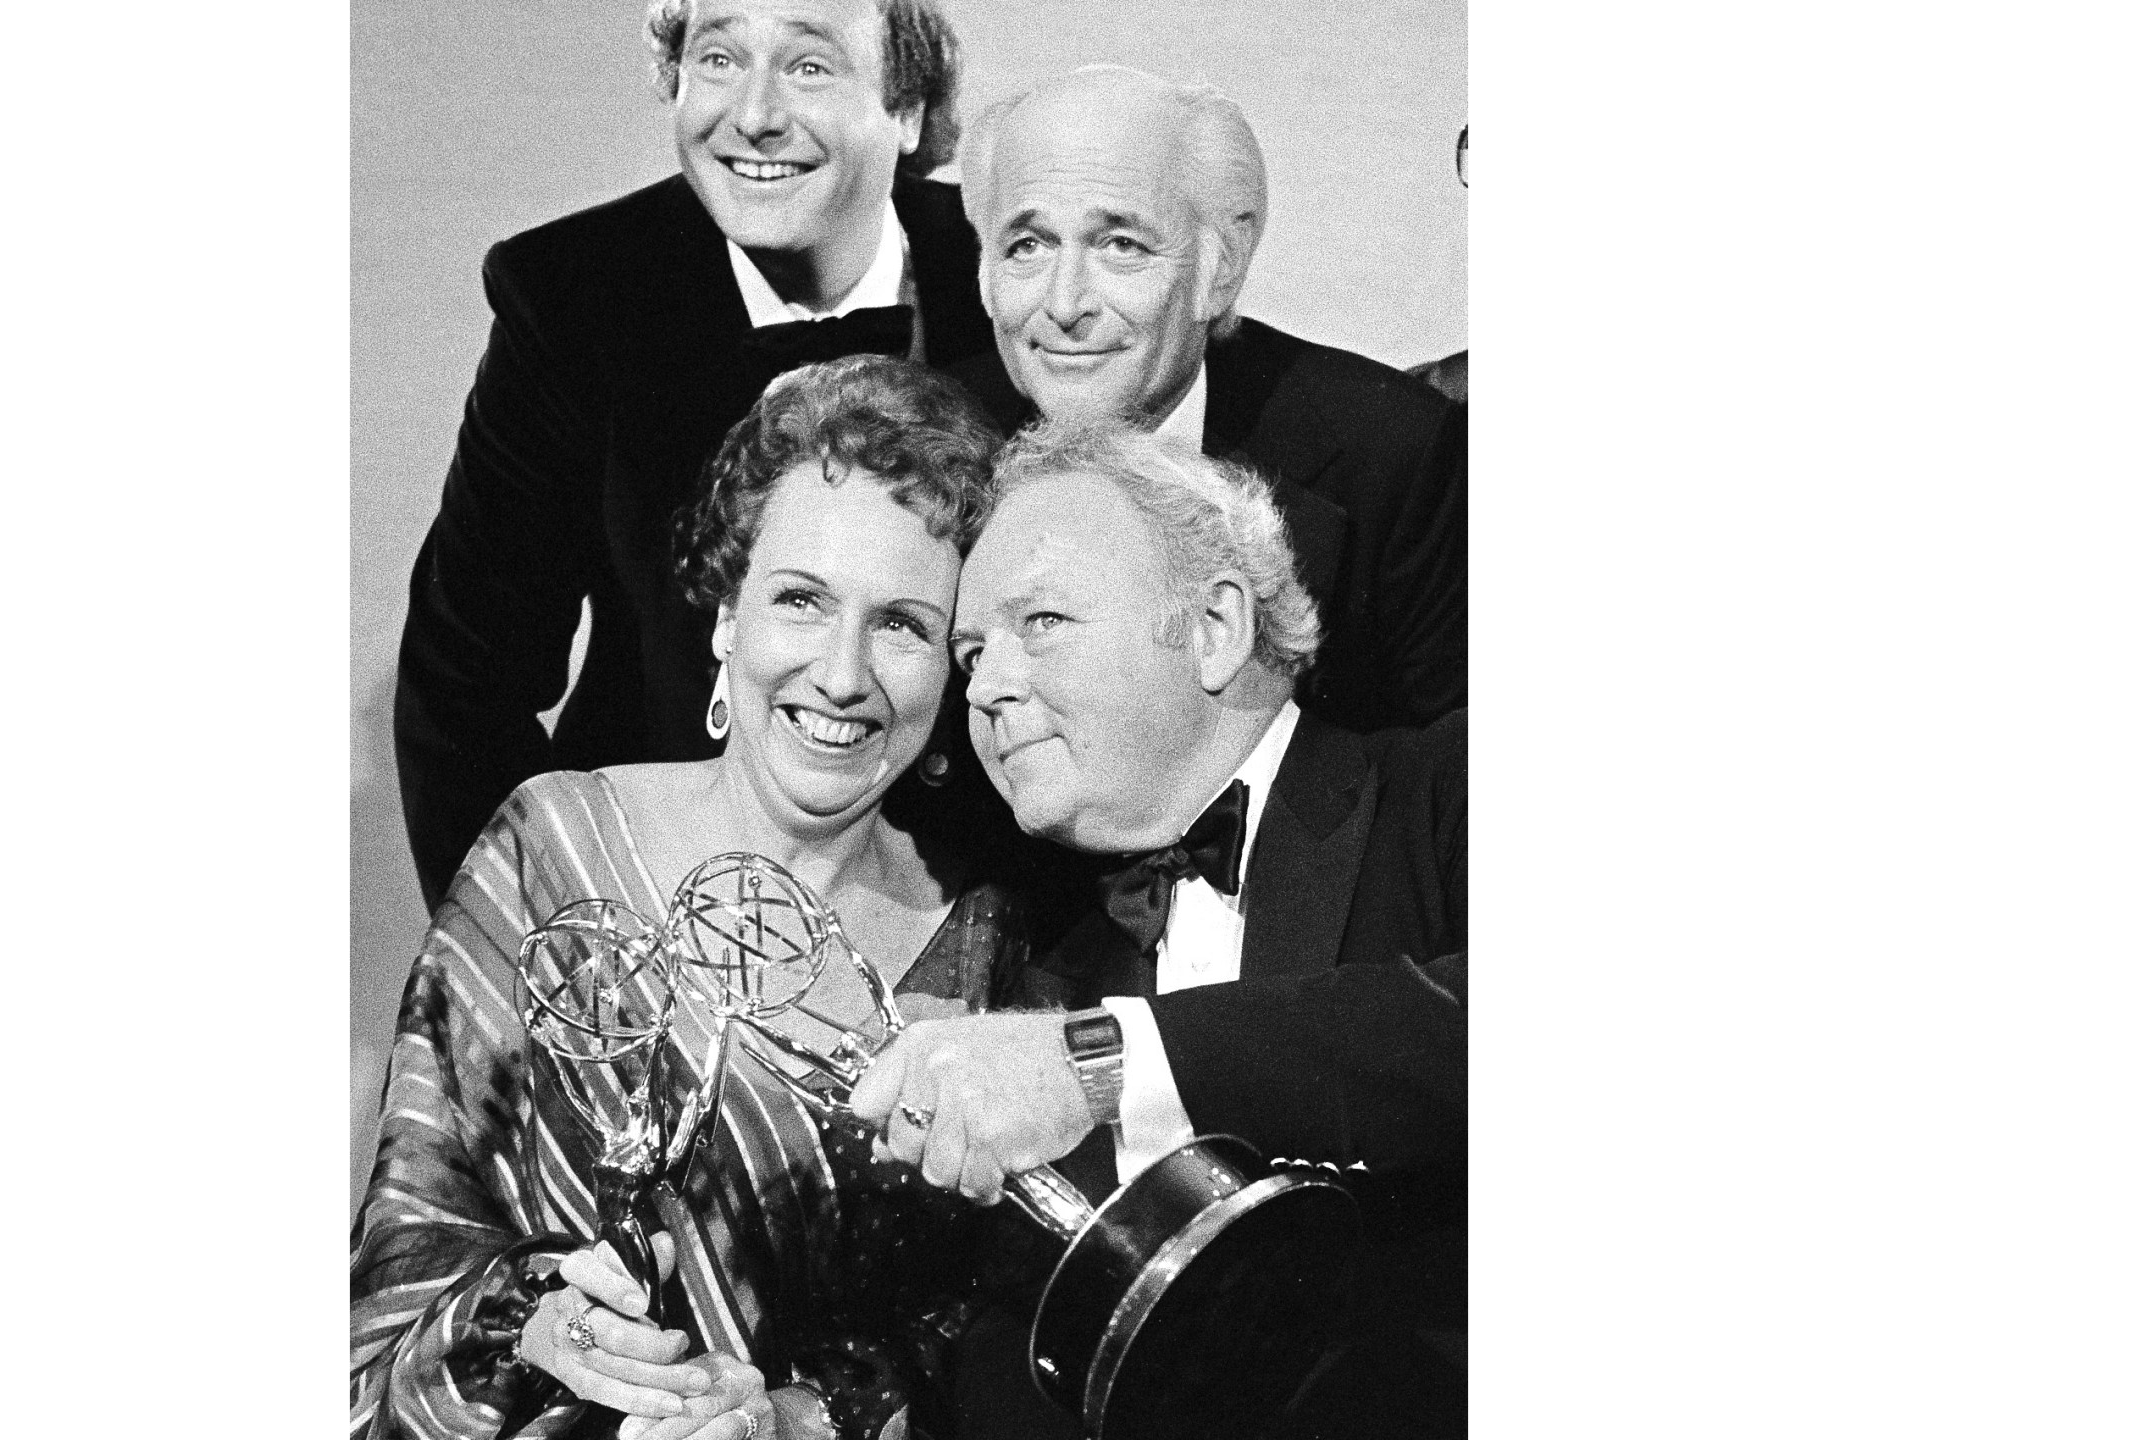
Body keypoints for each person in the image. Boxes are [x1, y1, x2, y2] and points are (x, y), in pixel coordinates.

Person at [354, 358, 1055, 1440]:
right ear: (726, 619)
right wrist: (535, 1325)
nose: (839, 673)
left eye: (903, 625)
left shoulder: (991, 952)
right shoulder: (552, 851)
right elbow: (407, 1264)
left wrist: (795, 1416)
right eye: (801, 601)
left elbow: (977, 1342)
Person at [853, 419, 1466, 1437]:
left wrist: (1104, 1064)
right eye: (969, 654)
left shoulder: (1446, 789)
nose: (989, 687)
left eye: (1040, 620)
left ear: (1215, 627)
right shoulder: (1040, 971)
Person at [393, 0, 998, 912]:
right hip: (654, 894)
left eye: (807, 66)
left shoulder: (1010, 272)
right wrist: (562, 956)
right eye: (717, 59)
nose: (752, 115)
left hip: (956, 888)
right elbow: (461, 687)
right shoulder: (572, 294)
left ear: (907, 107)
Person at [947, 64, 1468, 738]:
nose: (1065, 303)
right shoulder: (931, 444)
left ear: (1221, 265)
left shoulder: (1394, 453)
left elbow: (1449, 795)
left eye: (1121, 246)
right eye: (1027, 245)